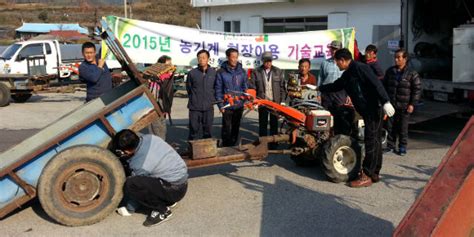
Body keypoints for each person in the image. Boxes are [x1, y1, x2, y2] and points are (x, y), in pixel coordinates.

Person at [319, 48, 395, 188]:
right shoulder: (348, 74)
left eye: (337, 62)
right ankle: (374, 173)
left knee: (371, 141)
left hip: (373, 109)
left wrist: (385, 101)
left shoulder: (361, 68)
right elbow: (337, 85)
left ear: (342, 60)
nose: (336, 65)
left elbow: (376, 83)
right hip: (366, 111)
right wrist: (319, 88)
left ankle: (367, 174)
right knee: (375, 141)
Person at [112, 129, 188, 227]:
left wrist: (129, 209)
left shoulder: (140, 164)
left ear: (127, 151)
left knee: (132, 183)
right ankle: (168, 200)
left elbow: (137, 189)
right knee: (150, 177)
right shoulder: (150, 138)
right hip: (182, 182)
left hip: (173, 190)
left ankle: (162, 211)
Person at [383, 49, 422, 156]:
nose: (396, 60)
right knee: (390, 127)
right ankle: (390, 146)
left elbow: (417, 90)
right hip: (391, 105)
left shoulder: (412, 74)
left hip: (404, 106)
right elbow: (384, 87)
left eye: (398, 57)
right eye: (395, 57)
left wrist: (412, 104)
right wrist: (384, 102)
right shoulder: (390, 71)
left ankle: (402, 147)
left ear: (405, 59)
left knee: (403, 128)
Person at [249, 51, 285, 148]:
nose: (268, 63)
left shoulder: (278, 71)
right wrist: (254, 101)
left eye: (269, 61)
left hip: (275, 103)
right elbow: (252, 88)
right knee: (263, 124)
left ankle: (274, 143)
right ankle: (263, 144)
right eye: (266, 61)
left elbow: (282, 88)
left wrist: (282, 101)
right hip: (262, 102)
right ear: (262, 61)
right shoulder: (256, 72)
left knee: (274, 124)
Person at [318, 40, 353, 135]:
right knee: (325, 115)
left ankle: (339, 136)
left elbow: (350, 81)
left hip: (340, 93)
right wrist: (318, 94)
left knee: (340, 115)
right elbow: (320, 79)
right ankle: (325, 136)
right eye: (332, 49)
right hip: (326, 93)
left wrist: (349, 95)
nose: (333, 51)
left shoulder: (345, 64)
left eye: (336, 49)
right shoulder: (325, 63)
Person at [215, 48, 248, 147]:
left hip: (239, 104)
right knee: (226, 127)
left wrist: (245, 101)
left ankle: (234, 144)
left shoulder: (242, 71)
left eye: (236, 57)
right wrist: (220, 105)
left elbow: (245, 88)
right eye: (232, 57)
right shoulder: (221, 72)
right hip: (227, 105)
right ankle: (226, 145)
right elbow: (218, 90)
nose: (234, 59)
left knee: (236, 126)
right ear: (228, 57)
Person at [186, 49, 217, 140]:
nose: (201, 60)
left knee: (207, 131)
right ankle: (192, 151)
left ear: (208, 59)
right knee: (193, 130)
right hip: (195, 107)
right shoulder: (192, 73)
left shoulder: (213, 73)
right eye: (199, 58)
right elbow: (189, 88)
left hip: (208, 107)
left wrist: (211, 99)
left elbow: (215, 88)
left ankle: (206, 152)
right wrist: (195, 98)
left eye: (204, 58)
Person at [148, 55, 175, 140]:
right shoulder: (156, 77)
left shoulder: (168, 76)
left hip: (163, 104)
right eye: (168, 64)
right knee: (156, 127)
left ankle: (160, 144)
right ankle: (159, 144)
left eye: (170, 64)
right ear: (160, 66)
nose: (170, 66)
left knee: (161, 126)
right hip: (156, 103)